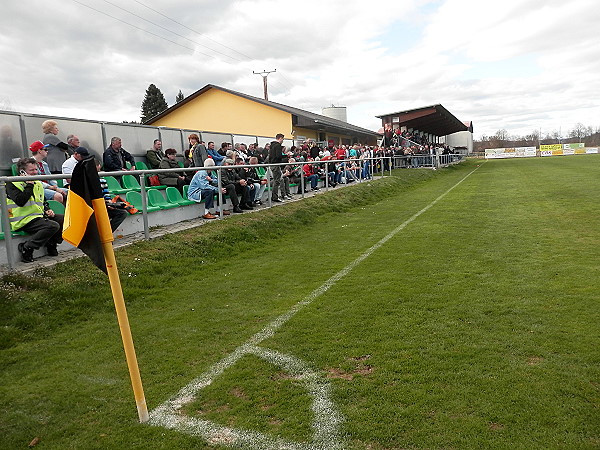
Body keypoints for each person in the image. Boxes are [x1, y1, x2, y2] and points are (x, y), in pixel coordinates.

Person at [6, 157, 64, 262]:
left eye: (36, 170)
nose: (35, 172)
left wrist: (47, 209)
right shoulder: (12, 183)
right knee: (53, 226)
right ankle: (27, 247)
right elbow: (20, 201)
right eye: (31, 170)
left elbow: (41, 201)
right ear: (22, 171)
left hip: (37, 217)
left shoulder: (37, 183)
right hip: (23, 220)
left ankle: (51, 242)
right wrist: (29, 185)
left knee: (65, 220)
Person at [95, 158, 130, 232]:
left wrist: (110, 203)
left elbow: (106, 194)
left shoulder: (102, 179)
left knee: (122, 213)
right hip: (94, 208)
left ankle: (107, 233)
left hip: (104, 206)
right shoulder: (86, 179)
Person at [268, 133, 285, 202]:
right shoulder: (278, 146)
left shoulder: (272, 146)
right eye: (283, 139)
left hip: (272, 164)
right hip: (276, 164)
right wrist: (286, 156)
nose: (283, 141)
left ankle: (274, 196)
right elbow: (278, 156)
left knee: (277, 180)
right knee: (277, 180)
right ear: (280, 138)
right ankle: (274, 197)